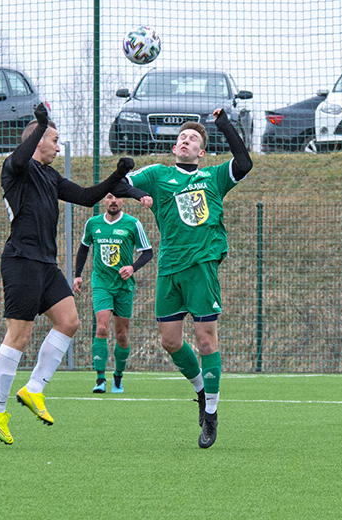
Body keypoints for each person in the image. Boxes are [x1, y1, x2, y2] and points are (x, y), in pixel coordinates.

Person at [0, 103, 151, 445]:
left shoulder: (50, 176)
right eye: (54, 140)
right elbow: (18, 157)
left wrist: (117, 175)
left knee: (69, 321)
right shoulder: (15, 169)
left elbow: (86, 198)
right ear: (38, 139)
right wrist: (41, 122)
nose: (59, 147)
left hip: (45, 263)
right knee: (19, 336)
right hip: (20, 260)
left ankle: (34, 389)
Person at [123, 108, 253, 448]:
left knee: (206, 340)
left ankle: (210, 413)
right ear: (174, 148)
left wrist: (224, 124)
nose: (185, 140)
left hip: (202, 267)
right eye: (182, 137)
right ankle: (200, 389)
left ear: (202, 152)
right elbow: (120, 183)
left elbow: (244, 163)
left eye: (193, 138)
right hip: (169, 267)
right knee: (170, 341)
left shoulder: (213, 178)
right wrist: (140, 196)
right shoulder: (158, 175)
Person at [72, 193, 153, 394]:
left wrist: (132, 268)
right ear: (103, 201)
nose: (114, 201)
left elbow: (148, 252)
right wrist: (78, 275)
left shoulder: (133, 224)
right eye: (109, 197)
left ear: (124, 201)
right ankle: (100, 379)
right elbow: (83, 248)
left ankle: (118, 376)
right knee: (101, 329)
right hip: (101, 283)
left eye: (118, 198)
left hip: (124, 285)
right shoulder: (93, 223)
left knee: (122, 335)